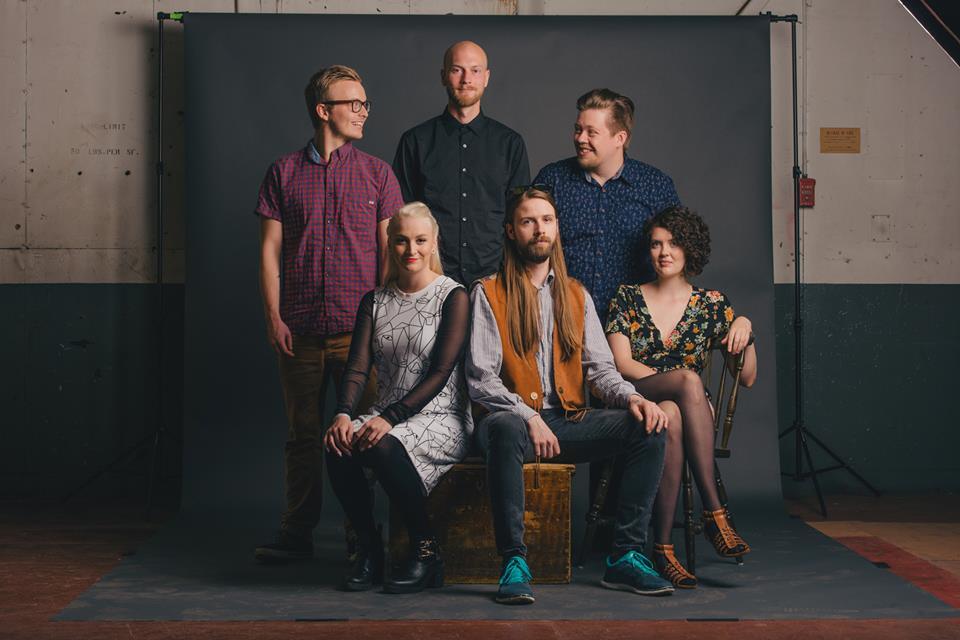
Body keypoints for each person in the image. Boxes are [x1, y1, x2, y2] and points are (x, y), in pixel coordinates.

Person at [467, 186, 672, 605]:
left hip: (566, 423)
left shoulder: (576, 295)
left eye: (547, 220)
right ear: (511, 231)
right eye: (528, 221)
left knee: (648, 426)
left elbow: (601, 370)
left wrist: (633, 398)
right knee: (505, 426)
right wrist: (528, 416)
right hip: (509, 427)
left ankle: (625, 555)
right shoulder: (488, 292)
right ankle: (514, 562)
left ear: (557, 228)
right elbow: (481, 379)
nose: (539, 229)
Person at [254, 65, 403, 563]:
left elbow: (389, 257)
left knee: (362, 437)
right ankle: (296, 532)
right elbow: (270, 251)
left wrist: (380, 325)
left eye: (365, 103)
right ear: (323, 110)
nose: (363, 112)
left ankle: (362, 535)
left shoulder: (378, 173)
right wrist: (273, 317)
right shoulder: (282, 172)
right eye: (352, 103)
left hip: (359, 336)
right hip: (297, 332)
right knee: (301, 437)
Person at [323, 202, 472, 594]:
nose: (411, 250)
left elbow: (441, 371)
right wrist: (343, 413)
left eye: (420, 240)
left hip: (441, 416)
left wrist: (390, 417)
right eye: (402, 240)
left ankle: (427, 552)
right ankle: (370, 550)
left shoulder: (452, 296)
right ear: (389, 243)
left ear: (433, 242)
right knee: (337, 444)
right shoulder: (374, 301)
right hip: (385, 412)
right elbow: (357, 368)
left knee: (382, 445)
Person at [605, 205, 757, 589]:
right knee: (687, 384)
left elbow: (748, 377)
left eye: (673, 243)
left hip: (680, 411)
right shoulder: (627, 297)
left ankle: (663, 548)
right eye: (656, 244)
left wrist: (744, 326)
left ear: (690, 248)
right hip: (636, 396)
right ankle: (715, 513)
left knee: (672, 413)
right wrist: (680, 382)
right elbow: (622, 364)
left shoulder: (711, 304)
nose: (664, 252)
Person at [533, 88, 681, 321]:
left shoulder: (655, 185)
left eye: (591, 132)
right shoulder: (552, 179)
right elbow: (525, 244)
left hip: (634, 323)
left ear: (619, 138)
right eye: (578, 129)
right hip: (562, 319)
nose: (580, 139)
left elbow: (678, 253)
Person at [393, 40, 530, 285]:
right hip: (430, 280)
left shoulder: (510, 143)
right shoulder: (415, 142)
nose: (466, 79)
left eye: (475, 71)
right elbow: (401, 216)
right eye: (457, 70)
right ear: (443, 76)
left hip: (496, 281)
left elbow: (520, 216)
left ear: (486, 77)